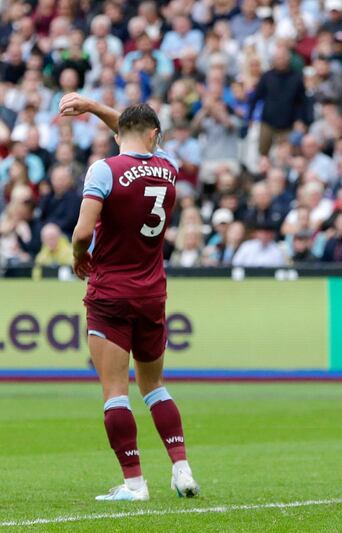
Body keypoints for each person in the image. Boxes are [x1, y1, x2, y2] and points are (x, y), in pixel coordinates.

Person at [60, 93, 199, 502]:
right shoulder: (169, 167)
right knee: (155, 386)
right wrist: (95, 107)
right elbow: (134, 129)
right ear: (154, 135)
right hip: (152, 291)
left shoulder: (103, 170)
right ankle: (182, 469)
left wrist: (77, 255)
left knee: (115, 390)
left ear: (118, 134)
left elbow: (83, 232)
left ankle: (135, 483)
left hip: (110, 293)